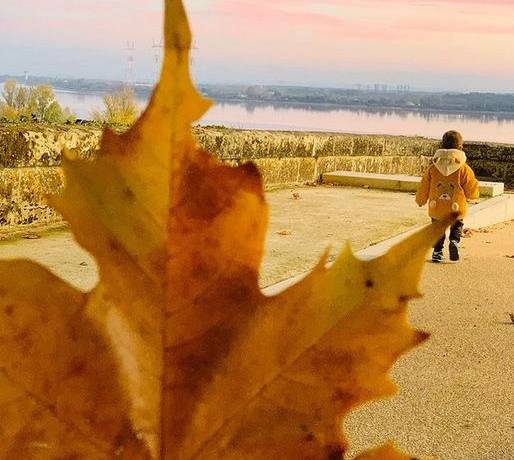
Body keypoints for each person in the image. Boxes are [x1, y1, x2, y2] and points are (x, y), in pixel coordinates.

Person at [416, 130, 479, 262]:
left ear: (442, 145)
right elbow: (471, 187)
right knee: (457, 224)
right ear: (461, 146)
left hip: (437, 206)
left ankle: (437, 251)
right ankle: (454, 241)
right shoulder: (463, 168)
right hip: (456, 207)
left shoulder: (433, 168)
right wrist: (473, 195)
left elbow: (424, 186)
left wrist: (421, 200)